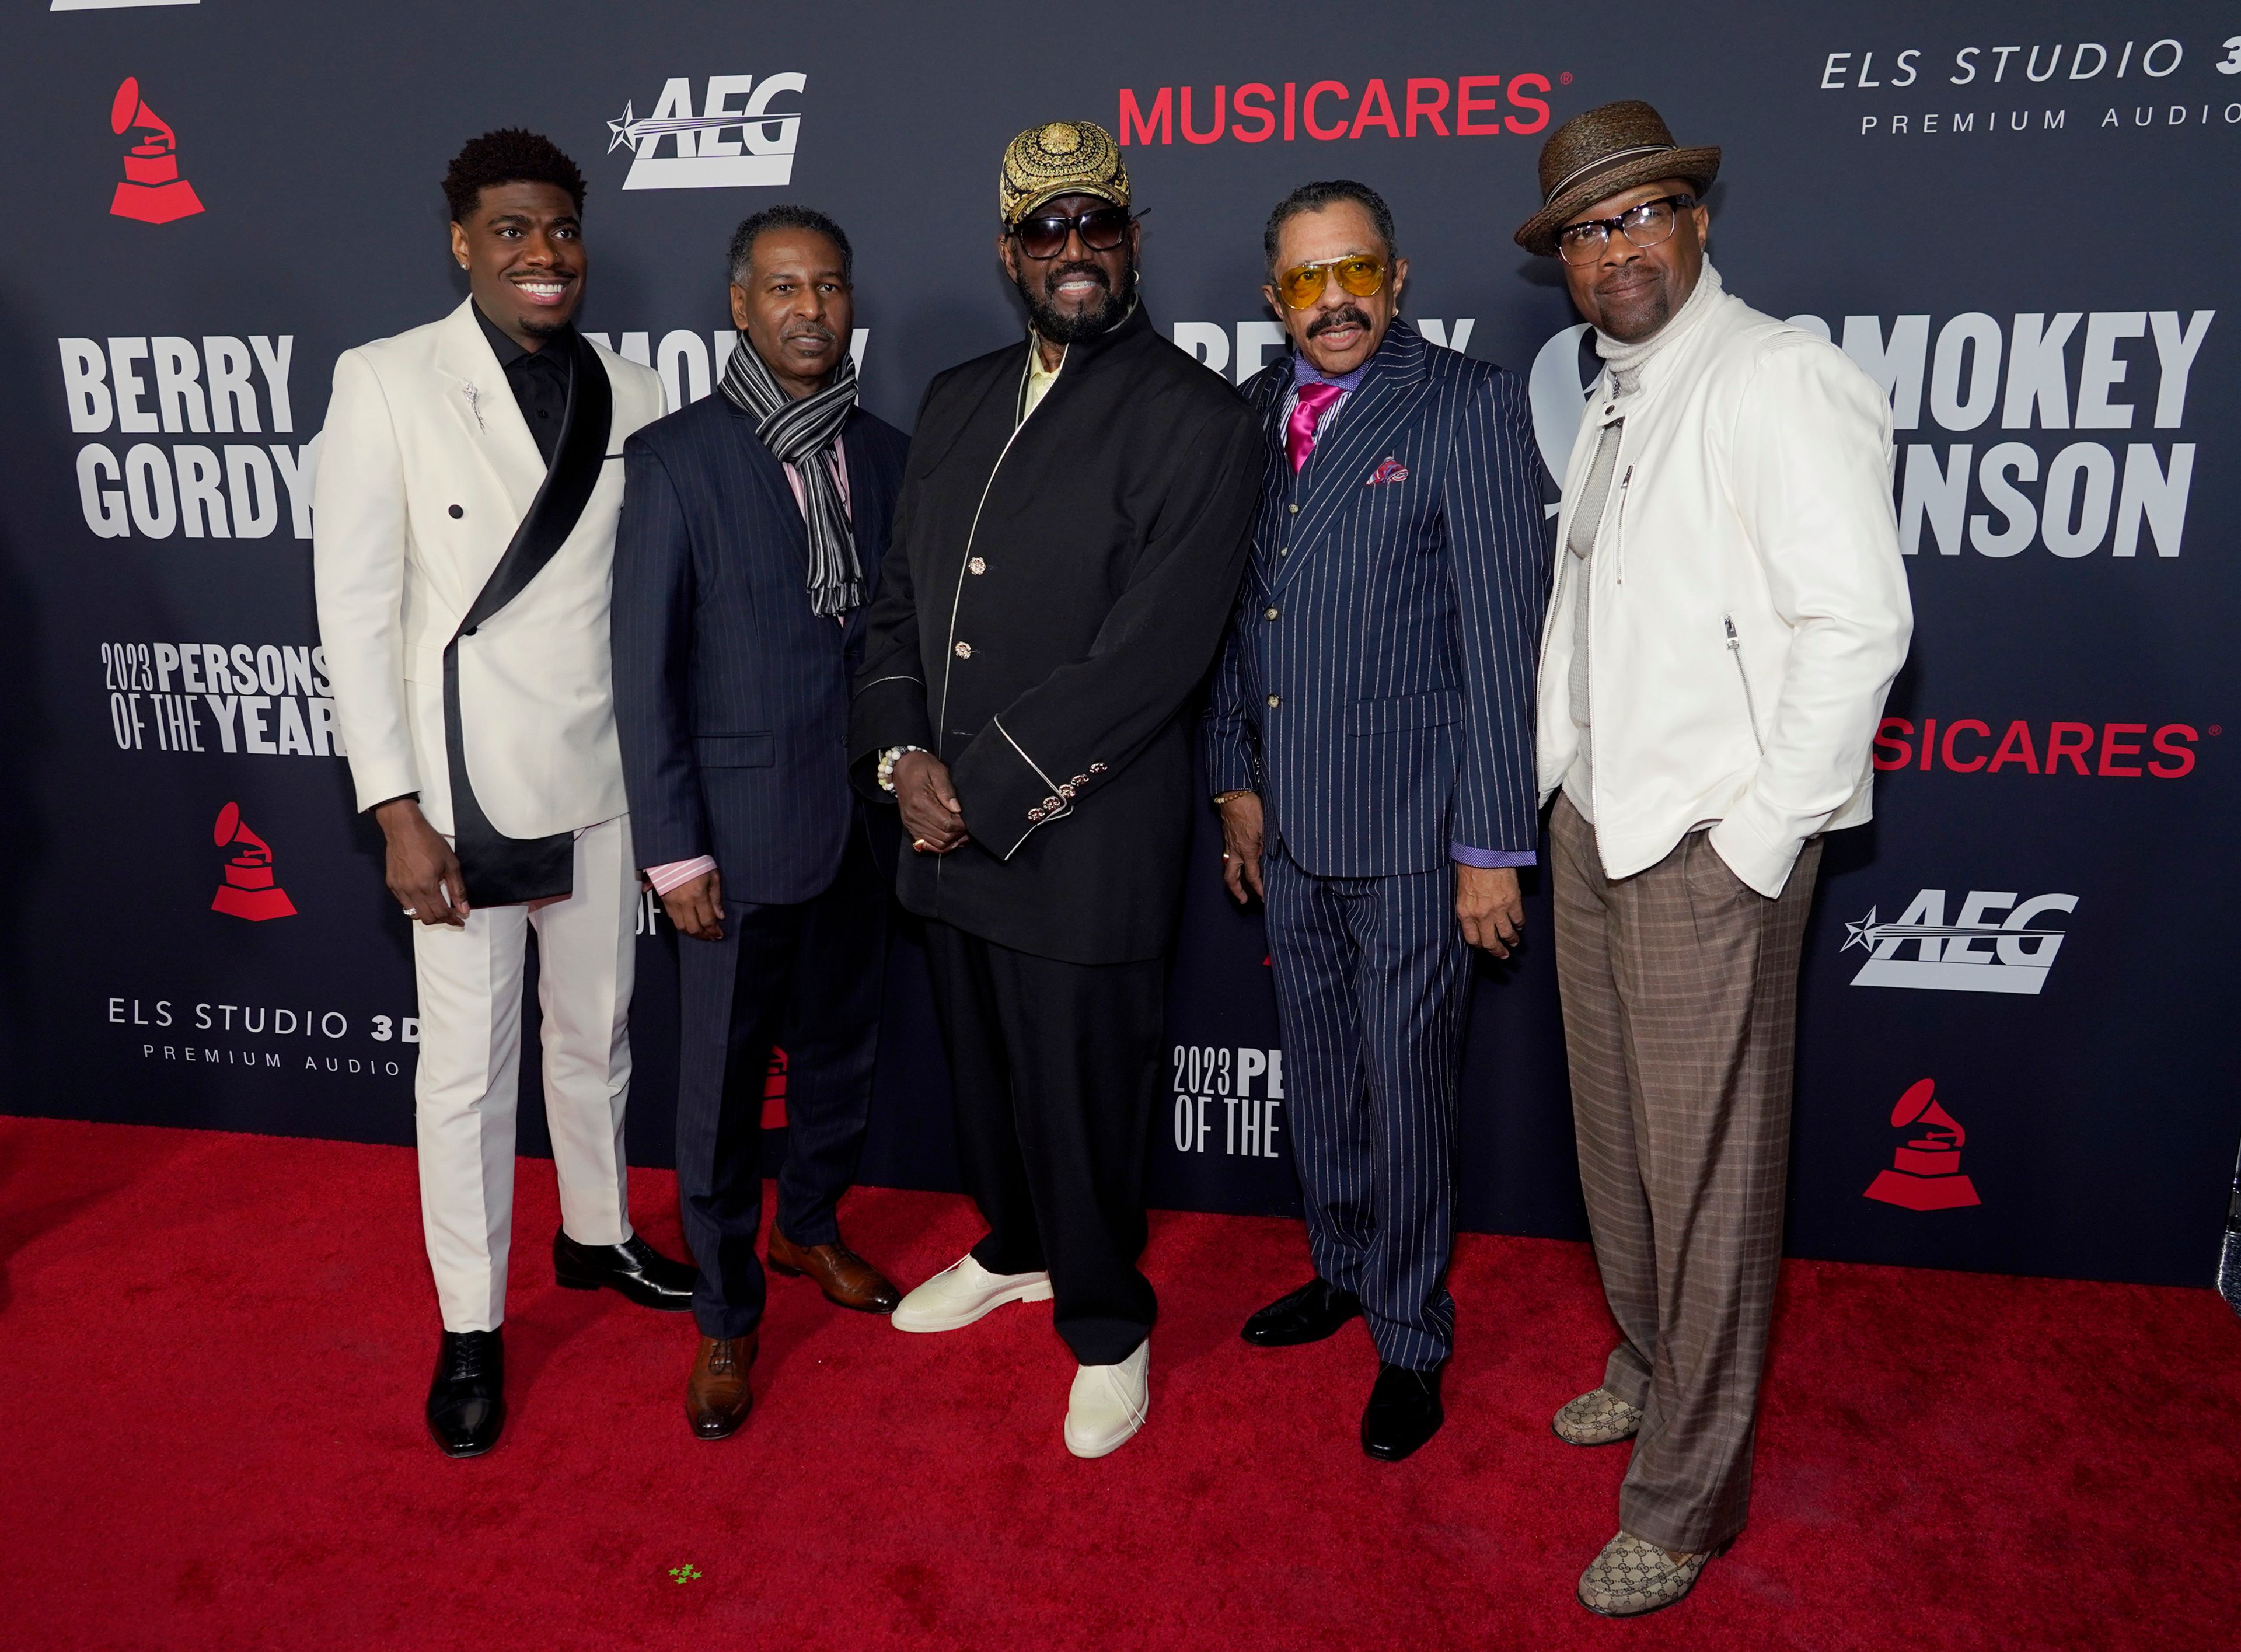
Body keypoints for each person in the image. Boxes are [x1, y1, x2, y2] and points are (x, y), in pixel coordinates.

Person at [1514, 102, 1912, 1615]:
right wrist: (1561, 790)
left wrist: (1755, 844)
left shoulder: (1776, 377)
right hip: (1600, 824)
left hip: (1707, 846)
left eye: (1639, 215)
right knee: (1621, 1157)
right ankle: (1651, 1356)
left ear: (1696, 222)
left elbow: (1858, 629)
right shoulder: (1621, 392)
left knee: (1710, 1183)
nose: (1613, 249)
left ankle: (1686, 1499)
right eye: (1585, 230)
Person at [848, 119, 1261, 1458]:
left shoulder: (1197, 417)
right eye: (1045, 232)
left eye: (1098, 228)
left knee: (1084, 1097)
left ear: (1134, 242)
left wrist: (981, 782)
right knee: (982, 1078)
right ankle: (1016, 1246)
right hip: (944, 827)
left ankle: (1105, 1323)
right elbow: (902, 599)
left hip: (1080, 831)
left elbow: (1151, 654)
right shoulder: (961, 396)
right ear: (1008, 255)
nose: (1073, 253)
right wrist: (905, 757)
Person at [313, 130, 695, 1459]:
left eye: (562, 231)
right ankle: (471, 1320)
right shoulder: (386, 383)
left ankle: (598, 1236)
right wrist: (394, 806)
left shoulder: (634, 389)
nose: (545, 255)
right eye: (514, 230)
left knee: (597, 1034)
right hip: (463, 790)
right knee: (468, 1072)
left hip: (597, 777)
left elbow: (642, 604)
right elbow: (357, 612)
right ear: (463, 241)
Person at [1203, 181, 1548, 1462]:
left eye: (1353, 273)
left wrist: (1486, 846)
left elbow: (1503, 644)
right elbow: (1240, 625)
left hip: (1416, 831)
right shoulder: (1249, 416)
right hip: (1289, 827)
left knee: (1407, 1093)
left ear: (1396, 279)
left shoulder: (1466, 405)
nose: (1332, 299)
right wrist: (1236, 782)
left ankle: (1410, 1336)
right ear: (1272, 295)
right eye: (1304, 279)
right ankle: (1342, 1267)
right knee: (1328, 1077)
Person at [612, 207, 909, 1441]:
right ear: (740, 306)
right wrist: (674, 850)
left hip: (860, 830)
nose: (809, 310)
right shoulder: (677, 458)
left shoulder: (889, 455)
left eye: (830, 288)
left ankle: (810, 1229)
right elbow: (645, 669)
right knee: (723, 1096)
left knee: (841, 1055)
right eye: (783, 288)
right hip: (730, 843)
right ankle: (727, 1318)